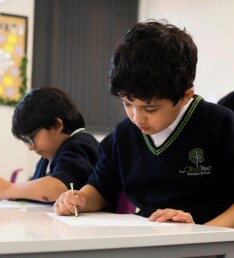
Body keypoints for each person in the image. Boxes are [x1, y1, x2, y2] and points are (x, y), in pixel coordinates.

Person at [53, 19, 234, 227]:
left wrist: (202, 233)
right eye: (127, 103)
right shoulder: (124, 135)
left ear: (186, 95)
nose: (137, 118)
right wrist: (80, 199)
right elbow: (101, 188)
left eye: (150, 109)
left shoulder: (221, 126)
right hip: (149, 240)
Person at [0, 87, 99, 203]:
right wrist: (15, 194)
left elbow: (57, 188)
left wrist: (9, 189)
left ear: (56, 125)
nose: (30, 147)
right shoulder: (48, 156)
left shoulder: (80, 145)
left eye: (30, 139)